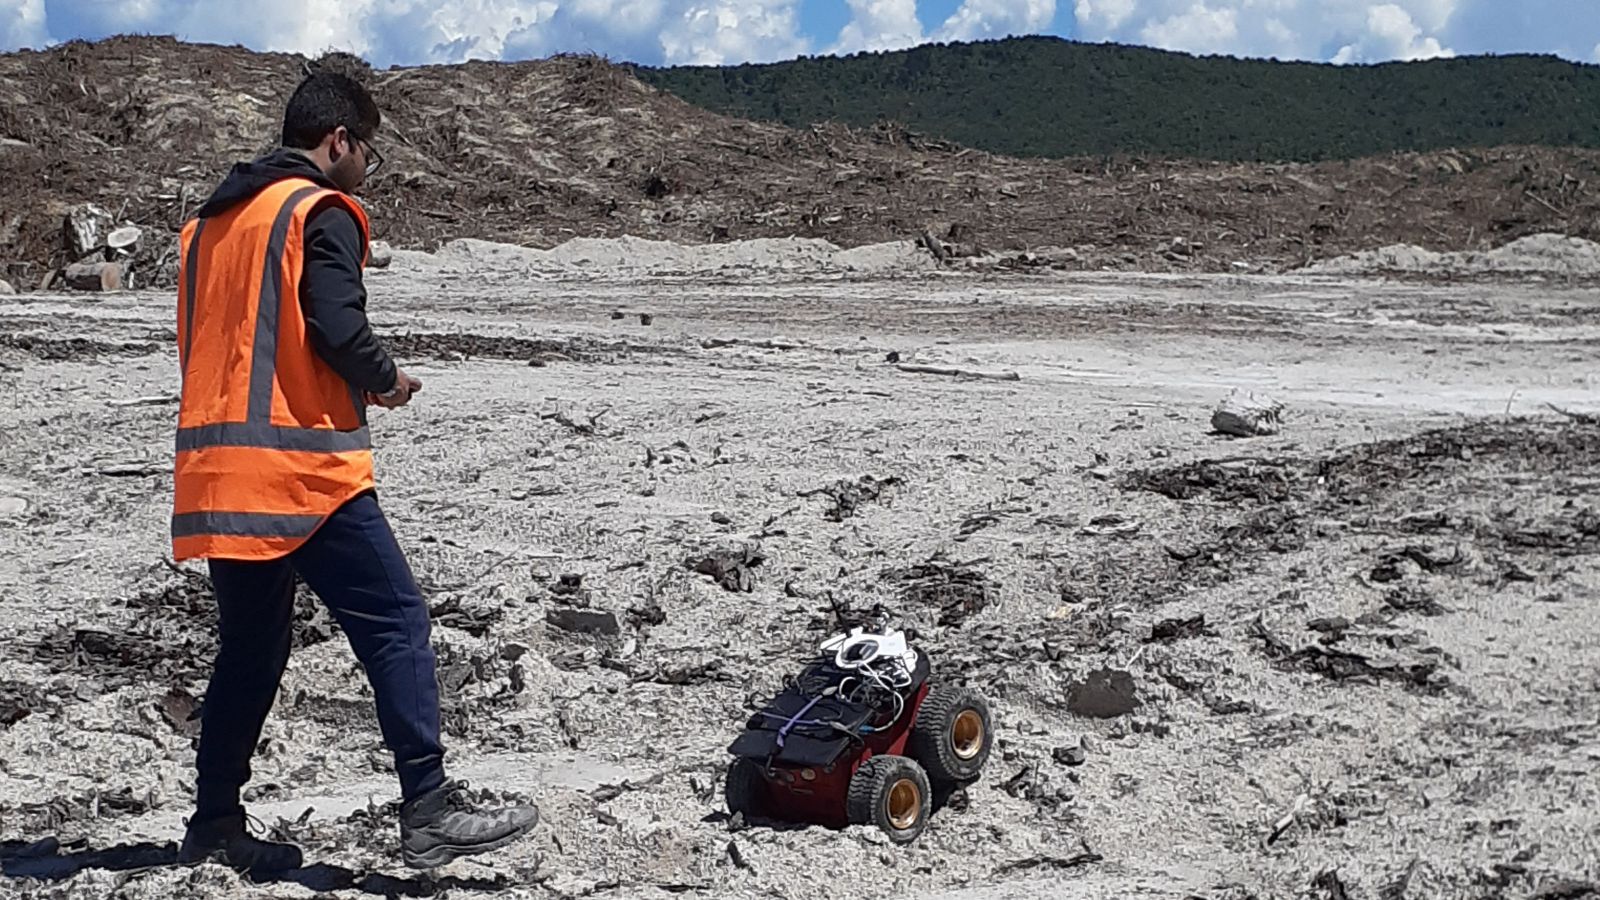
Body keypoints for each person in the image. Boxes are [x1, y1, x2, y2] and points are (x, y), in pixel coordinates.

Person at [169, 69, 539, 872]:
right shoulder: (317, 211)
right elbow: (335, 325)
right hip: (300, 473)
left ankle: (214, 822)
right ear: (338, 141)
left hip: (216, 474)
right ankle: (430, 810)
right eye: (365, 150)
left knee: (251, 649)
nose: (367, 166)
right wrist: (384, 378)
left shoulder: (210, 224)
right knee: (398, 621)